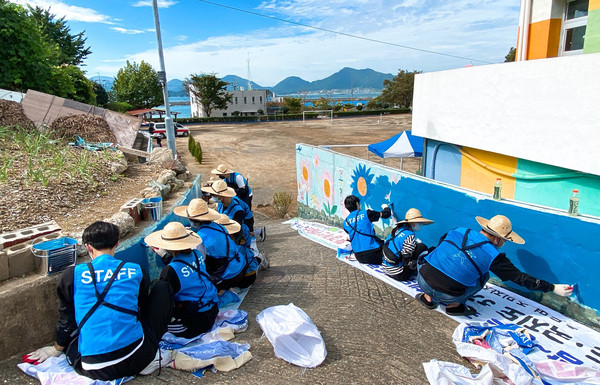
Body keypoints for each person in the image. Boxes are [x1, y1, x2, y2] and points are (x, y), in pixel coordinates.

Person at [25, 221, 174, 380]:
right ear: (117, 244)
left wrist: (55, 349)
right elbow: (142, 307)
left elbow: (66, 320)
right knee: (162, 289)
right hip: (138, 357)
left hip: (95, 369)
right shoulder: (136, 270)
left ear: (88, 247)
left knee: (76, 336)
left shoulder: (71, 275)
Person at [416, 214, 574, 316]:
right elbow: (519, 278)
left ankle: (427, 297)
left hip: (422, 280)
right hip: (448, 294)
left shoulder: (460, 230)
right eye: (505, 240)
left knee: (433, 258)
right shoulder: (493, 255)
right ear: (498, 239)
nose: (504, 243)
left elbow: (441, 244)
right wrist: (552, 288)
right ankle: (454, 307)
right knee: (484, 276)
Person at [145, 222, 218, 339]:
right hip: (212, 310)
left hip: (195, 322)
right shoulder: (196, 254)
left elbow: (163, 302)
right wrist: (165, 256)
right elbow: (184, 267)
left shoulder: (169, 271)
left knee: (155, 327)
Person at [174, 199, 246, 291]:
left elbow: (199, 262)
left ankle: (223, 291)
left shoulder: (200, 238)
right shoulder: (219, 226)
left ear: (194, 220)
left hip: (229, 275)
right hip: (240, 265)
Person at [382, 208, 433, 281]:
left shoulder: (397, 230)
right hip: (398, 273)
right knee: (422, 247)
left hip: (386, 268)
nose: (420, 225)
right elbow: (407, 262)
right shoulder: (409, 236)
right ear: (412, 223)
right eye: (419, 223)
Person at [342, 195, 391, 265]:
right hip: (374, 254)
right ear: (357, 204)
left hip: (359, 257)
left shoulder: (345, 222)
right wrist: (385, 207)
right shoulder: (366, 214)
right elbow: (386, 214)